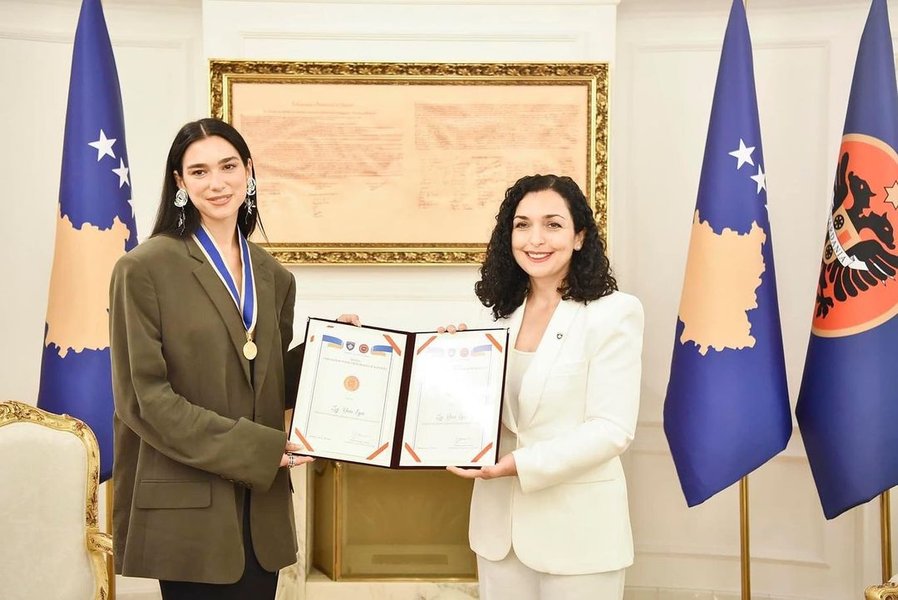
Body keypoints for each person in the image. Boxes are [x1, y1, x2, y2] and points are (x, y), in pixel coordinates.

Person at [108, 118, 355, 599]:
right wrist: (257, 450)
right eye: (199, 171)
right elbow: (144, 401)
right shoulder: (142, 268)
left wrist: (328, 353)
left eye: (228, 167)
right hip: (189, 513)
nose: (216, 182)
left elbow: (264, 382)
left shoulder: (274, 276)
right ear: (180, 182)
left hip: (260, 514)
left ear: (248, 171)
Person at [445, 174, 644, 600]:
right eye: (522, 225)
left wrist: (517, 464)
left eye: (553, 224)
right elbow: (478, 414)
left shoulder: (613, 314)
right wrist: (447, 359)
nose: (535, 239)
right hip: (498, 536)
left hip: (580, 536)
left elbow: (611, 429)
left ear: (579, 237)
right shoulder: (497, 318)